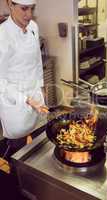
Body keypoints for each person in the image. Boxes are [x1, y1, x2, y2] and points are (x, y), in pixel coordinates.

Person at [0, 0, 48, 162]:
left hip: (35, 93)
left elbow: (37, 61)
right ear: (10, 4)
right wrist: (26, 99)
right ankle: (17, 180)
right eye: (24, 9)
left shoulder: (33, 27)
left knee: (39, 141)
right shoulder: (2, 35)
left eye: (32, 9)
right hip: (15, 101)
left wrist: (41, 87)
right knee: (19, 150)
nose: (29, 14)